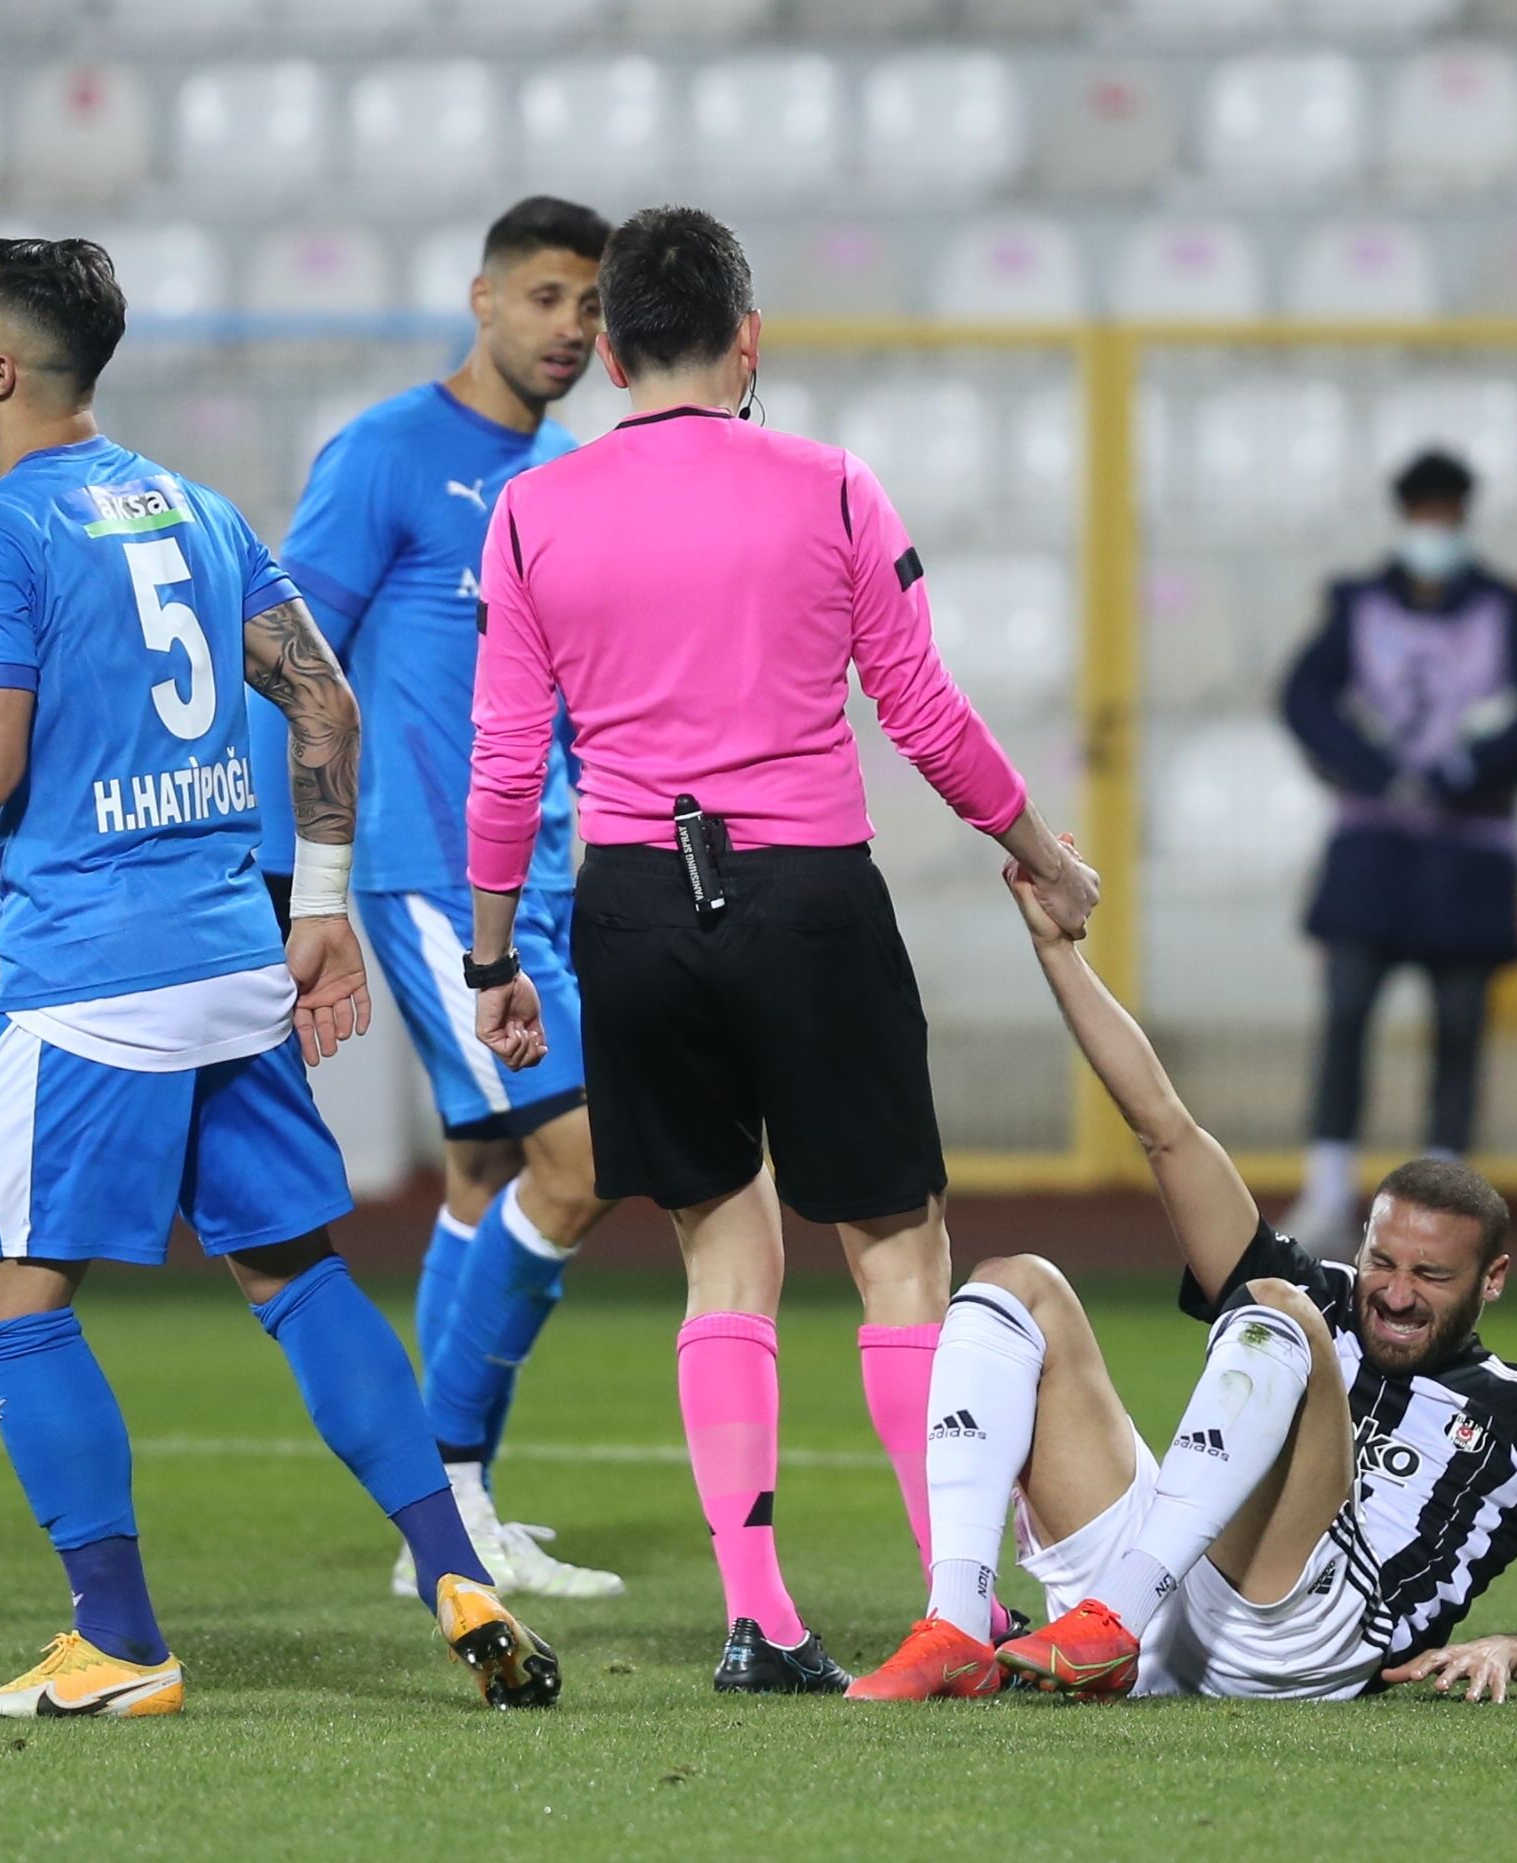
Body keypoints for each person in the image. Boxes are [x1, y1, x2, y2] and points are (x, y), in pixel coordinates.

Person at [0, 237, 558, 1717]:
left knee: (0, 1293)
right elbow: (323, 696)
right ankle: (454, 1564)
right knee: (294, 1272)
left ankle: (116, 1639)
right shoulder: (193, 507)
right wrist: (316, 903)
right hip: (230, 955)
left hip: (89, 980)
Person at [462, 205, 1101, 1694]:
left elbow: (504, 765)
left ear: (609, 350)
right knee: (895, 1250)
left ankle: (760, 1615)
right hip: (805, 894)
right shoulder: (827, 487)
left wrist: (497, 956)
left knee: (721, 1256)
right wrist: (1040, 852)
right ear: (748, 343)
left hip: (624, 903)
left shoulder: (530, 511)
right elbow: (924, 717)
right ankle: (958, 1602)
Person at [850, 860, 1517, 1704]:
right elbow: (1164, 1128)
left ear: (1493, 1278)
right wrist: (1055, 947)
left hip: (1308, 1636)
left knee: (1279, 1308)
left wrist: (1515, 1648)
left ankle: (1112, 1623)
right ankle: (958, 1626)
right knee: (1016, 1286)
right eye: (1383, 1260)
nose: (1390, 1291)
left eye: (1430, 1275)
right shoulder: (1331, 1292)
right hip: (1171, 1589)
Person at [249, 196, 622, 1602]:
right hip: (423, 873)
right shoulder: (389, 455)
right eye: (543, 298)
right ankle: (449, 1511)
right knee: (580, 1161)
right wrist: (303, 873)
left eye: (589, 308)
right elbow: (288, 658)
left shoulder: (567, 477)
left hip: (537, 874)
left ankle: (453, 1514)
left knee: (484, 1170)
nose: (569, 331)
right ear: (480, 298)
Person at [1278, 450, 1517, 1256]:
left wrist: (1467, 770)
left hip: (1469, 848)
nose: (1433, 529)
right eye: (1424, 513)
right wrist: (1374, 769)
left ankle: (1445, 1202)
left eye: (1446, 514)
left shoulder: (1504, 611)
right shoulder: (1361, 606)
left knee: (1458, 1023)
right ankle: (1330, 1188)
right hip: (1374, 841)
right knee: (1345, 1013)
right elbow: (1304, 697)